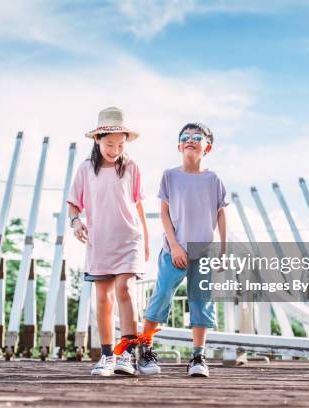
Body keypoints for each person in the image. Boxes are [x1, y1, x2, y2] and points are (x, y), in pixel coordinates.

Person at [138, 122, 228, 377]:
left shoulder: (213, 180)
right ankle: (145, 351)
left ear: (207, 147)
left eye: (197, 137)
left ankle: (198, 357)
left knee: (202, 302)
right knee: (162, 294)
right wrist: (175, 246)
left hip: (204, 251)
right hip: (173, 251)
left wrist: (223, 250)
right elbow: (164, 213)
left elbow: (221, 215)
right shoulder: (170, 175)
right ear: (179, 145)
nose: (191, 139)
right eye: (185, 137)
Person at [67, 106, 150, 376]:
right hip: (99, 242)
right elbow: (73, 206)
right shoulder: (85, 170)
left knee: (125, 290)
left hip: (129, 239)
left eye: (121, 145)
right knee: (103, 299)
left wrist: (147, 240)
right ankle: (106, 356)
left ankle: (127, 355)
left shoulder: (131, 168)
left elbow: (138, 207)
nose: (115, 150)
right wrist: (76, 222)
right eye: (110, 144)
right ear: (97, 140)